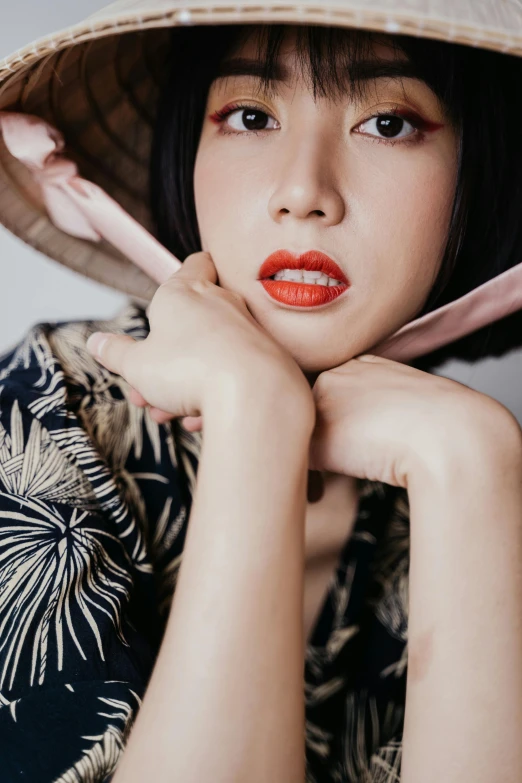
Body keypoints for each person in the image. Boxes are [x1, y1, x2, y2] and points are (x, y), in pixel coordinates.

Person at [0, 4, 521, 782]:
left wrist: (470, 466)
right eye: (249, 115)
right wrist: (257, 415)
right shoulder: (45, 420)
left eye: (388, 124)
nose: (302, 192)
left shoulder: (470, 472)